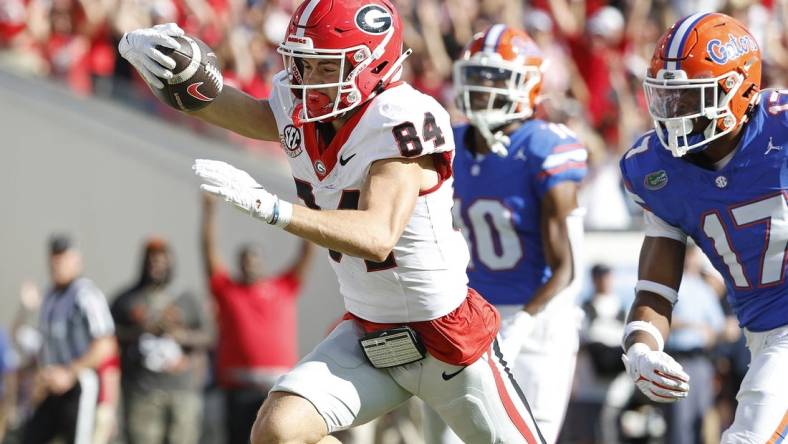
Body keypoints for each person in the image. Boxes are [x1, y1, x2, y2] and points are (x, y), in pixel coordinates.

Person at [120, 1, 545, 443]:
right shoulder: (303, 106)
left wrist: (273, 208)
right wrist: (174, 76)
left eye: (323, 66)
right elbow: (244, 112)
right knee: (277, 430)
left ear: (371, 65)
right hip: (369, 330)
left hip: (449, 339)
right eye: (301, 62)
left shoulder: (400, 118)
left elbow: (378, 235)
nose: (304, 78)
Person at [618, 12, 788, 443]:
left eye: (691, 99)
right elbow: (655, 290)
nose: (675, 114)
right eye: (667, 98)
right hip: (763, 336)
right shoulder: (655, 169)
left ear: (740, 88)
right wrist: (641, 349)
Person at [422, 25, 587, 444]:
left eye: (494, 77)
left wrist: (523, 323)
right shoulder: (449, 144)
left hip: (538, 321)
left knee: (529, 438)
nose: (480, 87)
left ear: (527, 84)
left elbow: (566, 267)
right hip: (471, 315)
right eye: (475, 75)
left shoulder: (544, 148)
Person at [201, 192, 315, 444]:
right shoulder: (227, 290)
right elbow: (208, 254)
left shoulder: (283, 286)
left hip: (277, 386)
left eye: (254, 260)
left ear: (262, 263)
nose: (250, 265)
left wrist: (306, 214)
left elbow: (306, 253)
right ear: (238, 264)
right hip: (238, 389)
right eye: (244, 260)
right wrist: (209, 213)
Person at [111, 238, 212, 444]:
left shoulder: (186, 297)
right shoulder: (127, 299)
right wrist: (140, 330)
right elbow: (110, 337)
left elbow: (208, 336)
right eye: (151, 262)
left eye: (161, 262)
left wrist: (181, 335)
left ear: (171, 264)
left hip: (182, 391)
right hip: (142, 391)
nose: (156, 267)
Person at [23, 235, 117, 444]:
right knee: (30, 436)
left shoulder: (85, 295)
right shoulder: (49, 297)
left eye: (63, 259)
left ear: (76, 260)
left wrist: (70, 372)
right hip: (52, 387)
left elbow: (106, 344)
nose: (58, 266)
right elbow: (44, 344)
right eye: (54, 260)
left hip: (80, 385)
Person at [660, 245, 725, 444]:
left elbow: (717, 327)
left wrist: (711, 334)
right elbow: (662, 319)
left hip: (701, 360)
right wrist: (692, 325)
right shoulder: (670, 285)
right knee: (680, 420)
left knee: (701, 417)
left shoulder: (704, 288)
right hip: (678, 359)